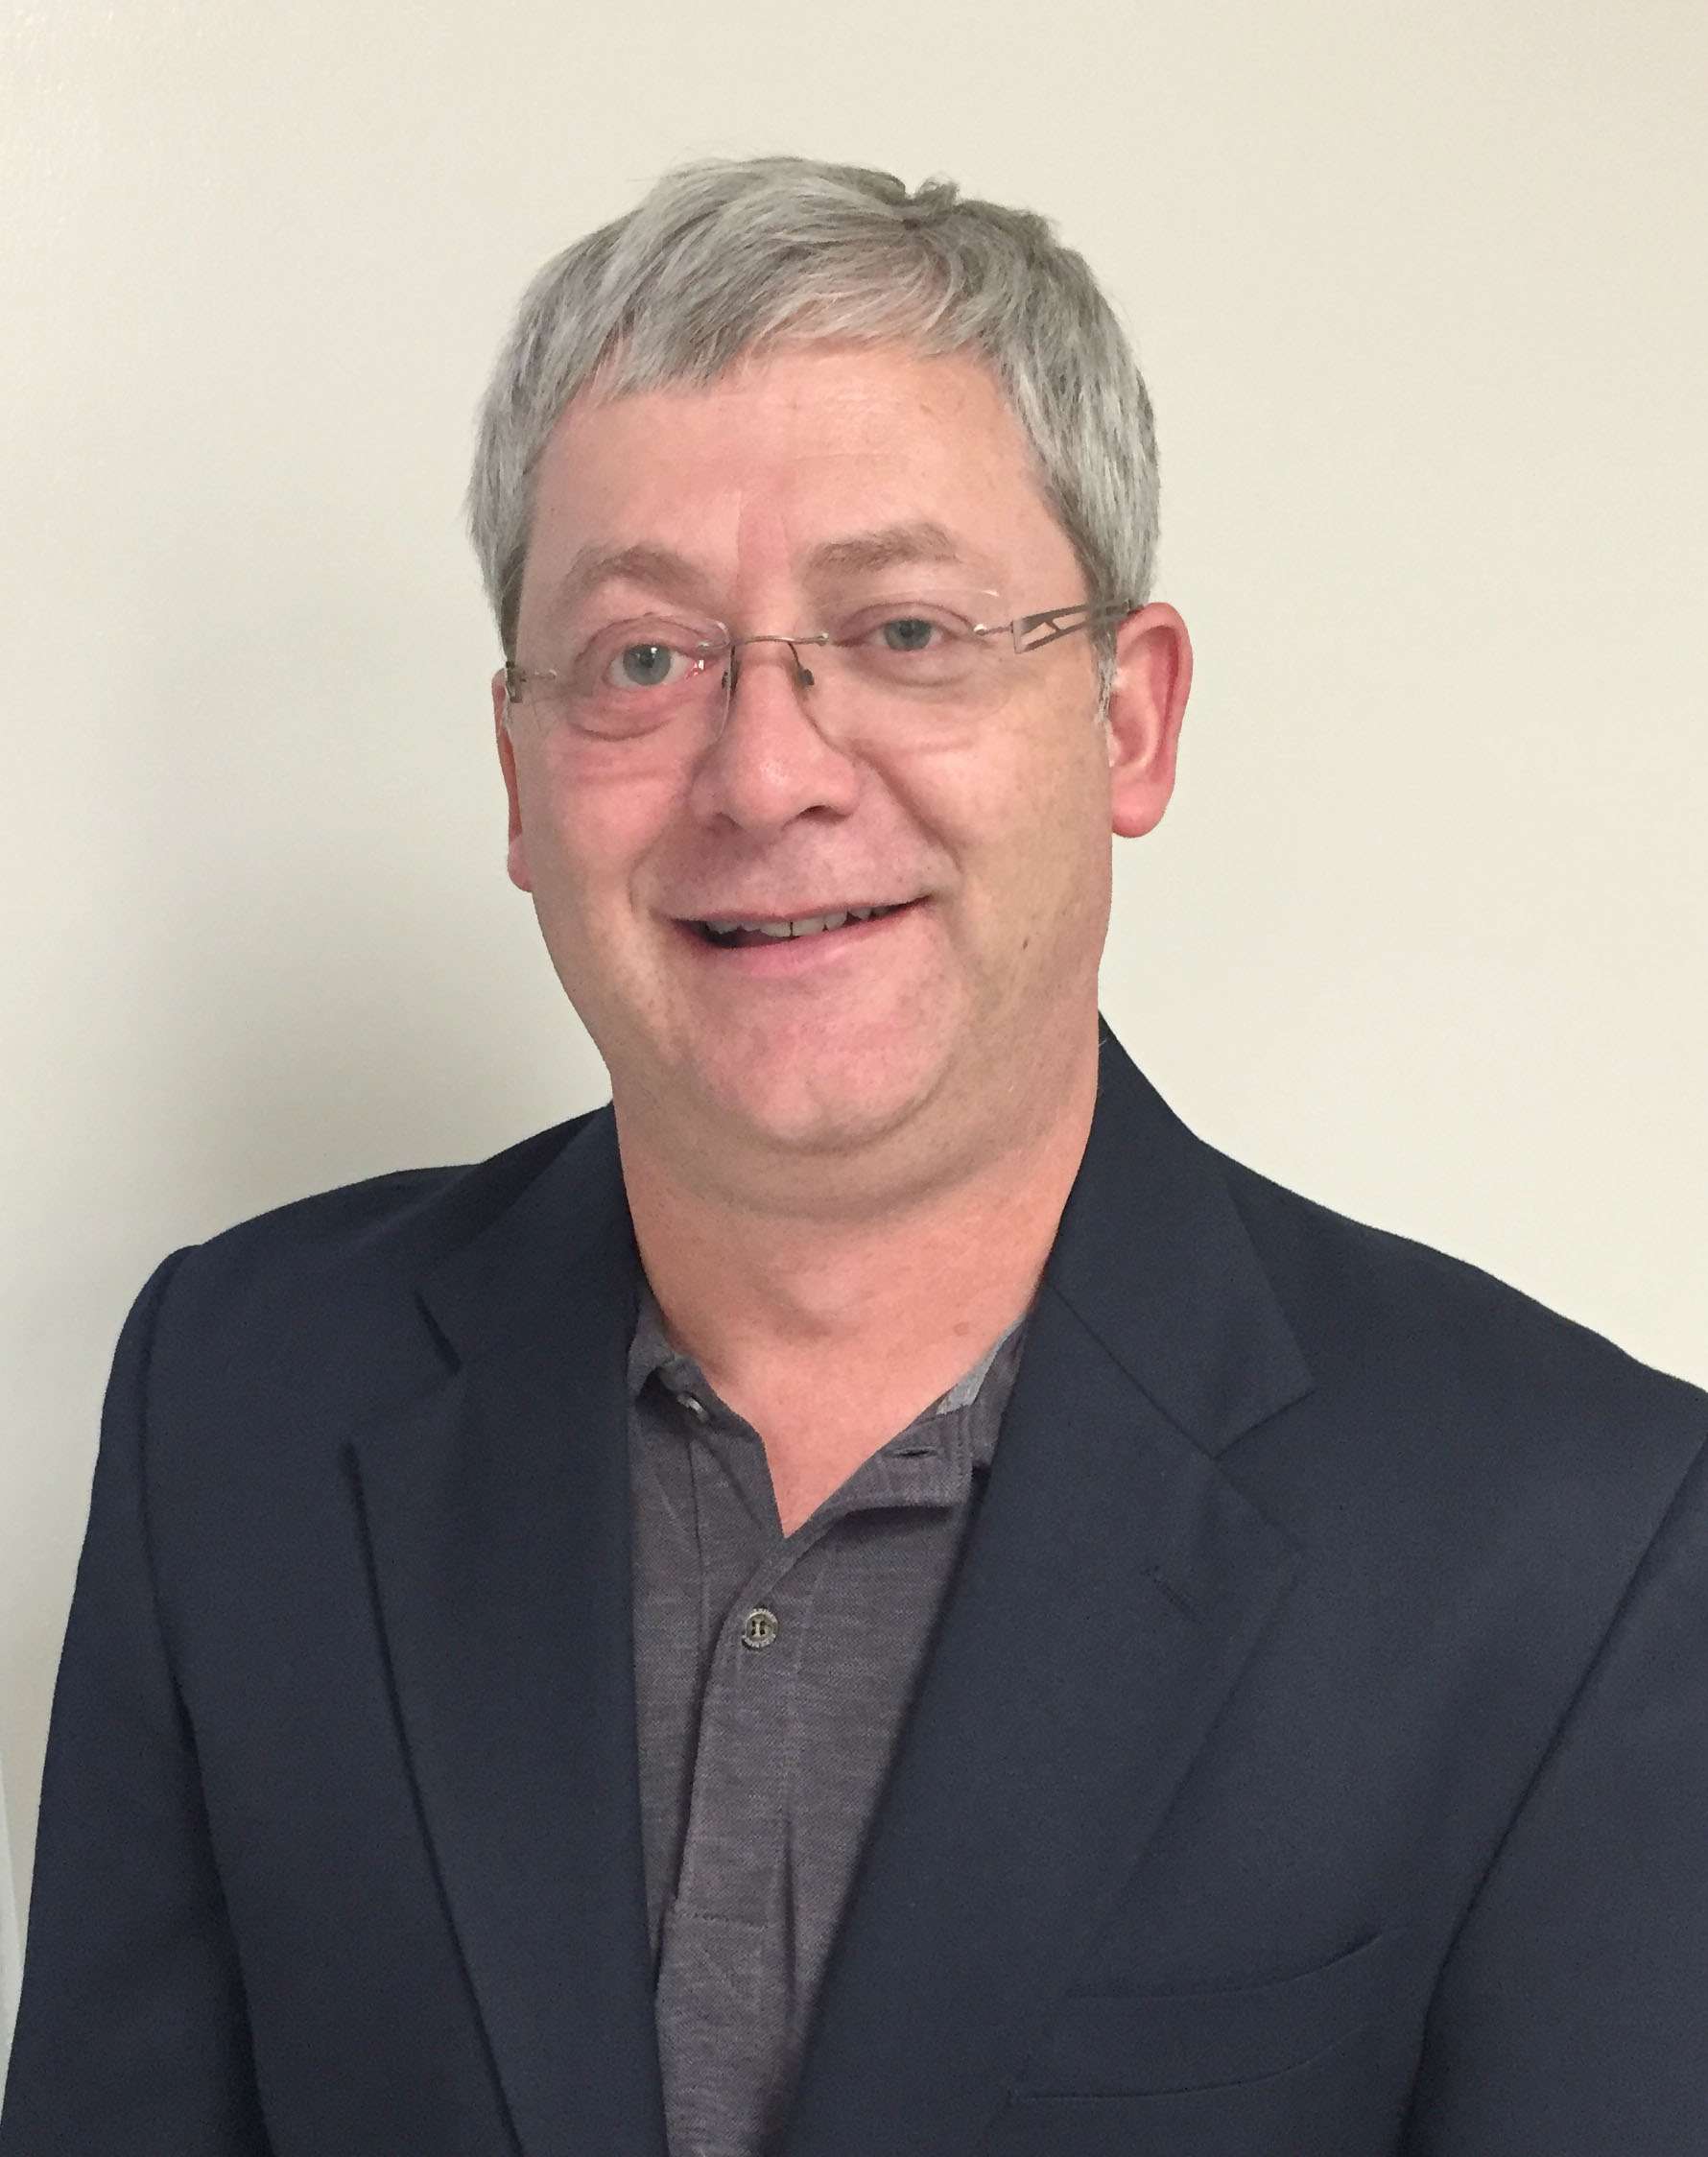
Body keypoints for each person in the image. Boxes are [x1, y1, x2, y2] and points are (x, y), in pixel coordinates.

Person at [2, 154, 1704, 2157]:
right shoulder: (238, 1397)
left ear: (1129, 720)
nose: (764, 771)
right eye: (642, 658)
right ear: (519, 775)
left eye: (902, 628)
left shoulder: (1573, 1538)